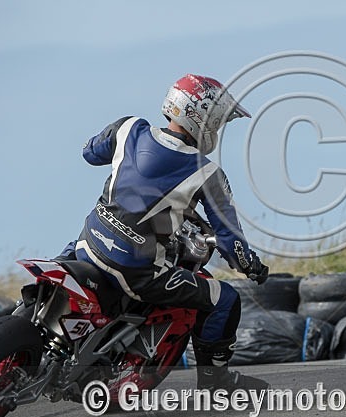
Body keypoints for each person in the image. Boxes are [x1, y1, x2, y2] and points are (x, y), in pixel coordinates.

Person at [62, 74, 269, 393]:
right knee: (224, 298)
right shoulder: (207, 171)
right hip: (136, 271)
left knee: (62, 261)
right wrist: (251, 266)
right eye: (218, 121)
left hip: (87, 245)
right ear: (205, 119)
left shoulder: (128, 128)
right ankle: (217, 384)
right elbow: (230, 241)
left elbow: (90, 153)